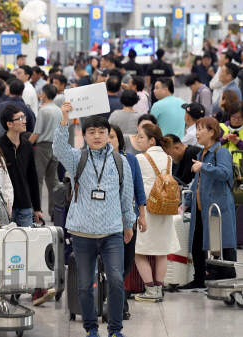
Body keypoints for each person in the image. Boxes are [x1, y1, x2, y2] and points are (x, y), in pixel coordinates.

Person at [53, 103, 135, 337]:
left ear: (109, 135)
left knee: (117, 282)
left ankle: (115, 330)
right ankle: (91, 328)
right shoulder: (76, 158)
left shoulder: (120, 162)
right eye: (91, 132)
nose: (97, 136)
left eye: (102, 132)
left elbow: (126, 196)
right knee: (85, 285)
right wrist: (65, 119)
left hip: (111, 233)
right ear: (85, 135)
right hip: (82, 233)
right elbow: (58, 148)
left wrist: (128, 224)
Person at [179, 117, 238, 291]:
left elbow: (225, 173)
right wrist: (187, 202)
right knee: (198, 243)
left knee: (221, 244)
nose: (196, 133)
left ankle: (226, 278)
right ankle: (199, 278)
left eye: (200, 130)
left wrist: (203, 166)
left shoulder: (221, 152)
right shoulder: (201, 153)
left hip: (218, 206)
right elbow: (196, 181)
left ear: (212, 132)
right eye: (196, 130)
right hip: (201, 207)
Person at [134, 124, 179, 302]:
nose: (138, 140)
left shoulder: (140, 158)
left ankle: (150, 289)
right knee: (161, 251)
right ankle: (159, 289)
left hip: (147, 209)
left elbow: (136, 184)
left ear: (152, 140)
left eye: (141, 137)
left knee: (139, 251)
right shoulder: (168, 158)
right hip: (165, 208)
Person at [108, 123, 147, 321]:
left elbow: (138, 188)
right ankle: (119, 305)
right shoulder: (95, 162)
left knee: (127, 262)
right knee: (113, 265)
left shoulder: (130, 159)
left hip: (128, 220)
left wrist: (142, 214)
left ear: (119, 140)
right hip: (106, 223)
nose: (108, 140)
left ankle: (114, 298)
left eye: (112, 136)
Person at [0, 105, 42, 227]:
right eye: (20, 118)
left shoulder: (27, 145)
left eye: (24, 117)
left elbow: (32, 177)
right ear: (9, 124)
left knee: (26, 243)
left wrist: (37, 208)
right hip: (5, 206)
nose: (25, 121)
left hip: (25, 205)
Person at [28, 84, 62, 221]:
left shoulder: (43, 111)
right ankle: (55, 211)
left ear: (45, 95)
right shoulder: (59, 110)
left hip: (43, 147)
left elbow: (37, 132)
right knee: (53, 180)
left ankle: (37, 211)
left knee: (38, 179)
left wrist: (26, 145)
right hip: (56, 146)